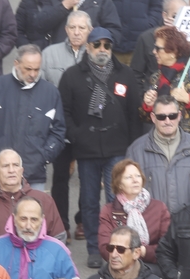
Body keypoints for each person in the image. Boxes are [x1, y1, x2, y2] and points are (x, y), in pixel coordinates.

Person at [59, 26, 142, 266]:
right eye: (97, 45)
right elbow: (64, 110)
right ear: (88, 47)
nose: (102, 49)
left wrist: (132, 147)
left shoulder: (125, 74)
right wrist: (76, 135)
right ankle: (95, 248)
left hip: (117, 148)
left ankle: (118, 246)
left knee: (118, 200)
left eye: (107, 45)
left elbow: (134, 113)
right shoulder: (72, 75)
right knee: (89, 200)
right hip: (87, 149)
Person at [0, 45, 66, 190]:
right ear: (16, 64)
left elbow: (59, 131)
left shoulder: (51, 92)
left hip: (34, 174)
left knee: (32, 213)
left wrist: (44, 156)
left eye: (37, 69)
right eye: (28, 69)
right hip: (1, 171)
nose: (33, 74)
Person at [42, 11, 91, 235]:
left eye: (82, 28)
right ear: (66, 29)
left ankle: (83, 221)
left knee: (87, 177)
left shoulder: (96, 54)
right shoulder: (49, 54)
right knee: (60, 177)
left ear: (89, 30)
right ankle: (61, 223)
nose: (77, 32)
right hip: (59, 127)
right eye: (73, 27)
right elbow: (41, 89)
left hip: (86, 127)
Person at [125, 95, 190, 214]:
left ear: (179, 116)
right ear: (153, 118)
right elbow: (125, 192)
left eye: (172, 116)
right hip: (151, 224)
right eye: (161, 117)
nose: (167, 121)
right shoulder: (136, 150)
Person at [140, 26, 190, 146]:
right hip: (161, 143)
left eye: (158, 48)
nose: (153, 52)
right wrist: (148, 106)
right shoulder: (156, 77)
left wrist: (188, 99)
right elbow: (147, 118)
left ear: (173, 52)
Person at [0, 149, 67, 244]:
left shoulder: (44, 200)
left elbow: (58, 239)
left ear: (21, 171)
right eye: (5, 166)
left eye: (15, 165)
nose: (11, 170)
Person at [96, 161, 171, 272]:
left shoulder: (159, 208)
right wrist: (129, 255)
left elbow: (167, 247)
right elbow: (105, 247)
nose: (135, 180)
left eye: (138, 176)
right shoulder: (108, 211)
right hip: (120, 269)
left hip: (153, 267)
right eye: (128, 177)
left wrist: (143, 251)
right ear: (119, 184)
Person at [30, 0, 123, 54]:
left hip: (90, 60)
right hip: (61, 60)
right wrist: (64, 6)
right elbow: (39, 26)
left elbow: (114, 33)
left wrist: (95, 41)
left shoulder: (101, 0)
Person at [89, 0, 164, 61]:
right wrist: (103, 35)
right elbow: (93, 7)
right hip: (108, 47)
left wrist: (147, 28)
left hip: (139, 48)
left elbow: (157, 6)